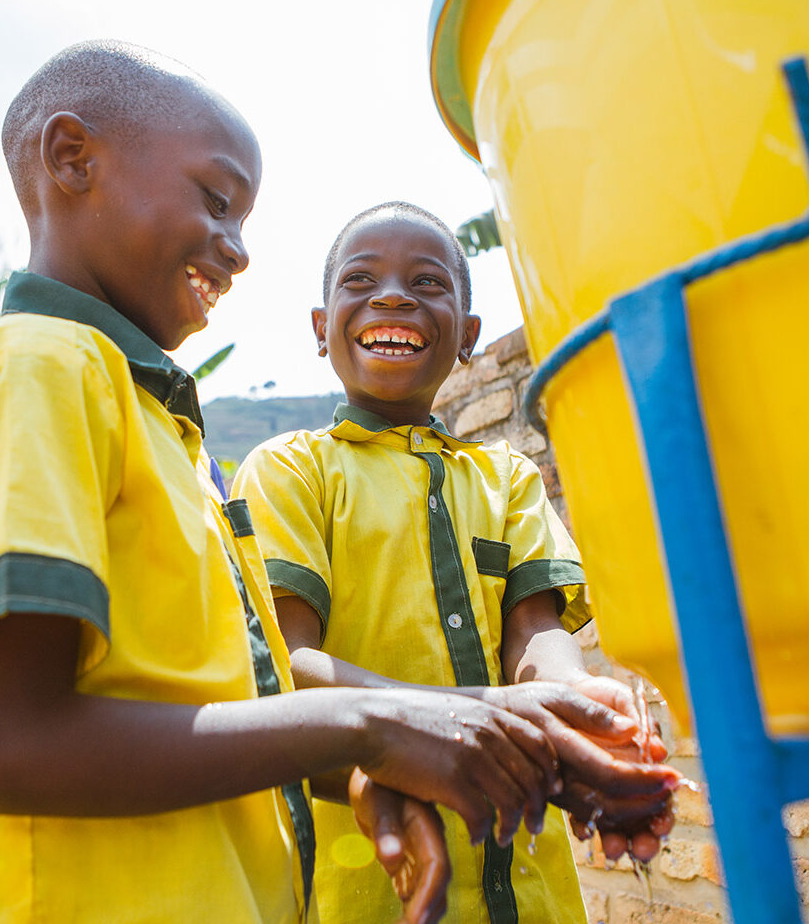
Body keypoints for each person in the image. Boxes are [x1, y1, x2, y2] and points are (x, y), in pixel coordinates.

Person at [0, 41, 667, 924]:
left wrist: (364, 774)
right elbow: (11, 749)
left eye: (244, 221)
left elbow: (229, 708)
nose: (238, 252)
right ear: (72, 161)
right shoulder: (33, 371)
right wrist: (372, 727)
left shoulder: (166, 440)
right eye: (216, 202)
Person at [233, 201, 680, 923]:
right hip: (369, 888)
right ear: (322, 329)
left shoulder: (506, 477)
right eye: (361, 279)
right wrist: (507, 717)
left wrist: (579, 711)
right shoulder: (290, 471)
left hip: (533, 892)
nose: (392, 296)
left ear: (469, 337)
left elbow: (536, 632)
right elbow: (292, 666)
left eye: (428, 282)